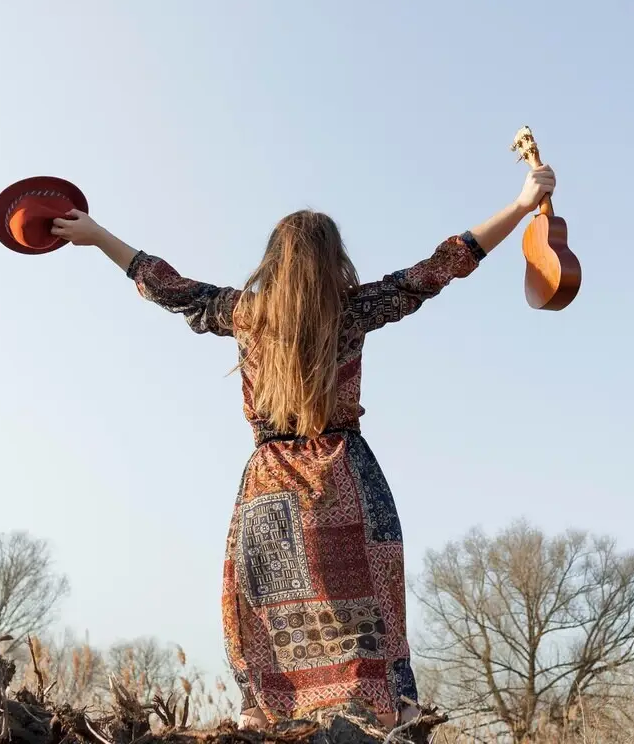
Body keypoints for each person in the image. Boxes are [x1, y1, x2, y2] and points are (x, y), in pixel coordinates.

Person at [51, 163, 557, 729]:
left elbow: (165, 284)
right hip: (347, 477)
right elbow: (440, 268)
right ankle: (396, 715)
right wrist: (519, 206)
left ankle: (262, 718)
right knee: (371, 620)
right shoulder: (354, 309)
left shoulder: (244, 313)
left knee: (263, 613)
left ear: (272, 262)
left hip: (270, 486)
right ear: (335, 262)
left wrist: (96, 236)